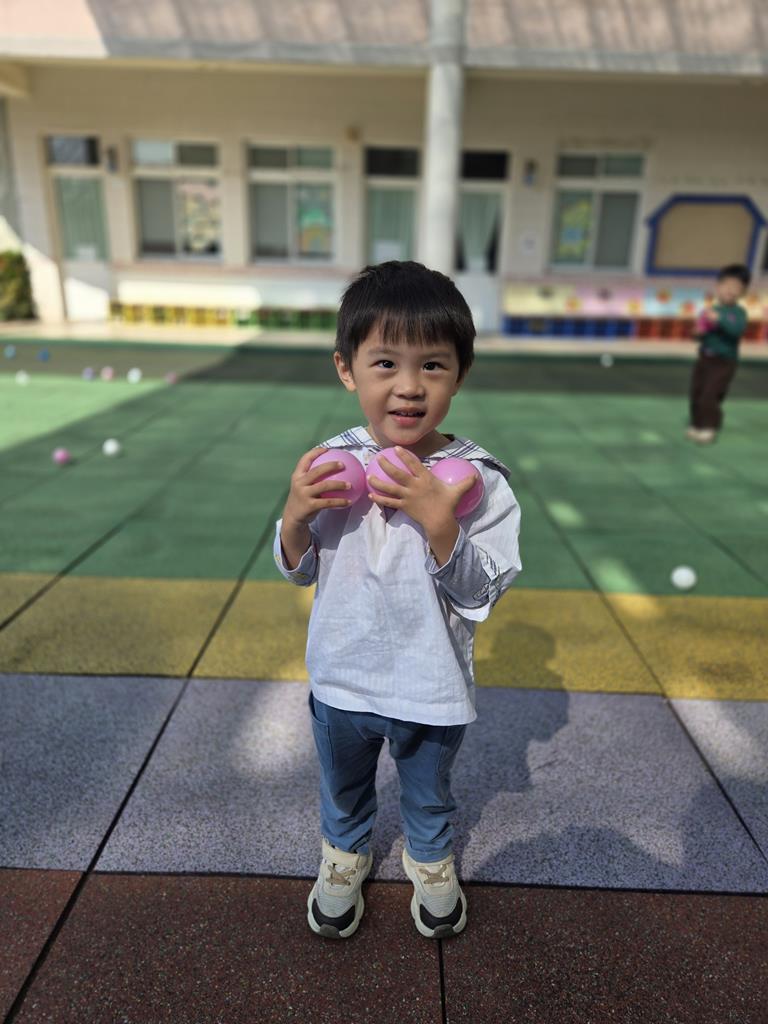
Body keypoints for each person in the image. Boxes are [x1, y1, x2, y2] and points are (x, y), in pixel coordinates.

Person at [273, 260, 522, 940]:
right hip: (342, 676)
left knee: (427, 790)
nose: (409, 386)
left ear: (460, 374)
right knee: (343, 785)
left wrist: (441, 523)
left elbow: (483, 592)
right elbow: (297, 570)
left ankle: (430, 857)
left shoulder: (479, 481)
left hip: (430, 686)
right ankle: (344, 853)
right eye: (385, 363)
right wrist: (294, 517)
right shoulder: (330, 463)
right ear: (347, 369)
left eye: (433, 365)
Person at [687, 263, 751, 444]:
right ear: (718, 287)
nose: (730, 290)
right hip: (704, 358)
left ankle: (709, 427)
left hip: (724, 362)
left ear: (743, 292)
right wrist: (697, 333)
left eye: (736, 287)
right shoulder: (709, 311)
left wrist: (720, 319)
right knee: (697, 393)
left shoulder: (738, 313)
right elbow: (699, 334)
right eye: (726, 285)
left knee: (711, 394)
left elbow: (736, 330)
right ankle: (697, 424)